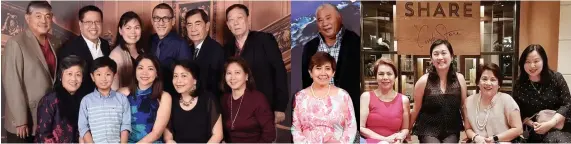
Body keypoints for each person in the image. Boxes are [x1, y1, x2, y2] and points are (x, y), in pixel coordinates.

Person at [1, 1, 62, 142]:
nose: (44, 20)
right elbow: (12, 83)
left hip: (48, 116)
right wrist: (20, 120)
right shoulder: (16, 43)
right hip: (25, 120)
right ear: (28, 18)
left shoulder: (56, 42)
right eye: (38, 16)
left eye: (48, 16)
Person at [224, 4, 288, 125]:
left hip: (264, 106)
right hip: (238, 110)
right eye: (231, 20)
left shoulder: (264, 40)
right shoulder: (227, 48)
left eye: (239, 18)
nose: (236, 23)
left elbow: (279, 71)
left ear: (247, 19)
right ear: (228, 25)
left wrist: (280, 107)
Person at [301, 3, 361, 119]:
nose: (325, 23)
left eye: (328, 18)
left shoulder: (355, 42)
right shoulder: (309, 47)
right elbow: (306, 82)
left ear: (339, 17)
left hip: (348, 115)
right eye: (320, 20)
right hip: (318, 114)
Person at [409, 39, 468, 143]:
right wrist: (406, 130)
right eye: (436, 54)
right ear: (431, 59)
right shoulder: (423, 81)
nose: (440, 57)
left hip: (452, 129)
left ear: (452, 56)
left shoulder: (460, 79)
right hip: (427, 129)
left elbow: (463, 107)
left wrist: (468, 130)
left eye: (444, 53)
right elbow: (415, 109)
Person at [292, 52, 357, 143]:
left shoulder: (343, 95)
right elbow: (295, 128)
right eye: (318, 68)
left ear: (333, 73)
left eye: (327, 68)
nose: (323, 73)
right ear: (310, 72)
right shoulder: (300, 97)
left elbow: (351, 127)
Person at [513, 44, 571, 143]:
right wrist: (533, 124)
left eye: (536, 61)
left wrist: (550, 123)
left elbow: (567, 104)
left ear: (544, 61)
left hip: (558, 127)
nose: (532, 66)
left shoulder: (556, 78)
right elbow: (517, 111)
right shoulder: (519, 84)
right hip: (533, 130)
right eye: (527, 61)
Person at [163, 60, 223, 143]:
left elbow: (218, 135)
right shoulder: (170, 100)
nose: (178, 81)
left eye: (184, 76)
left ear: (195, 80)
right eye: (175, 76)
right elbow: (168, 137)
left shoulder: (208, 99)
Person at [58, 5, 111, 98]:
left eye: (97, 22)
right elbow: (65, 84)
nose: (93, 26)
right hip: (80, 102)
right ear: (80, 24)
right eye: (88, 22)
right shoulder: (69, 49)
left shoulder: (105, 45)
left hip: (104, 100)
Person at [116, 54, 171, 143]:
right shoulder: (121, 93)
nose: (144, 73)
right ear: (135, 71)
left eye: (150, 69)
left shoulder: (164, 97)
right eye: (140, 68)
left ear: (157, 73)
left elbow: (156, 133)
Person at [221, 57, 276, 142]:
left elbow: (269, 134)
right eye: (229, 73)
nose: (232, 77)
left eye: (237, 73)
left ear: (246, 76)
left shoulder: (258, 99)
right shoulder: (224, 99)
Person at [465, 63, 523, 143]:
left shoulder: (507, 100)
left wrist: (495, 138)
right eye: (484, 79)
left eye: (493, 80)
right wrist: (476, 137)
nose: (488, 83)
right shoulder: (469, 101)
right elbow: (468, 129)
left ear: (499, 84)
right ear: (478, 82)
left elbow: (518, 129)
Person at [78, 57, 131, 143]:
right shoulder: (86, 101)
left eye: (108, 74)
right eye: (98, 75)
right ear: (92, 77)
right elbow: (83, 127)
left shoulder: (122, 99)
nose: (103, 79)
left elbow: (125, 126)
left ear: (114, 75)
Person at [35, 55, 86, 143]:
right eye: (69, 74)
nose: (73, 79)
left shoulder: (84, 100)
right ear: (60, 76)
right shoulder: (50, 100)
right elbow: (43, 135)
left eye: (78, 75)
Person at [360, 58, 410, 143]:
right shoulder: (366, 97)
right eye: (381, 74)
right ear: (376, 76)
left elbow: (405, 128)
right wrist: (385, 139)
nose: (385, 77)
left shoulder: (404, 100)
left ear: (395, 76)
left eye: (389, 74)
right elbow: (361, 127)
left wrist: (400, 136)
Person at [150, 3, 193, 96]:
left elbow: (187, 76)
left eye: (165, 18)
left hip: (172, 96)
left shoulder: (181, 44)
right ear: (152, 21)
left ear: (173, 21)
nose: (161, 23)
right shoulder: (150, 40)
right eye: (157, 18)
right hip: (150, 95)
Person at [185, 8, 225, 97]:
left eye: (197, 24)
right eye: (189, 25)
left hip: (209, 104)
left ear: (207, 26)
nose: (193, 29)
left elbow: (221, 86)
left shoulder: (217, 50)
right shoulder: (187, 49)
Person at [110, 11, 145, 90]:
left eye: (136, 27)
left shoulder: (143, 51)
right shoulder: (115, 55)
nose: (133, 32)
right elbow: (113, 90)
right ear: (120, 31)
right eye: (128, 28)